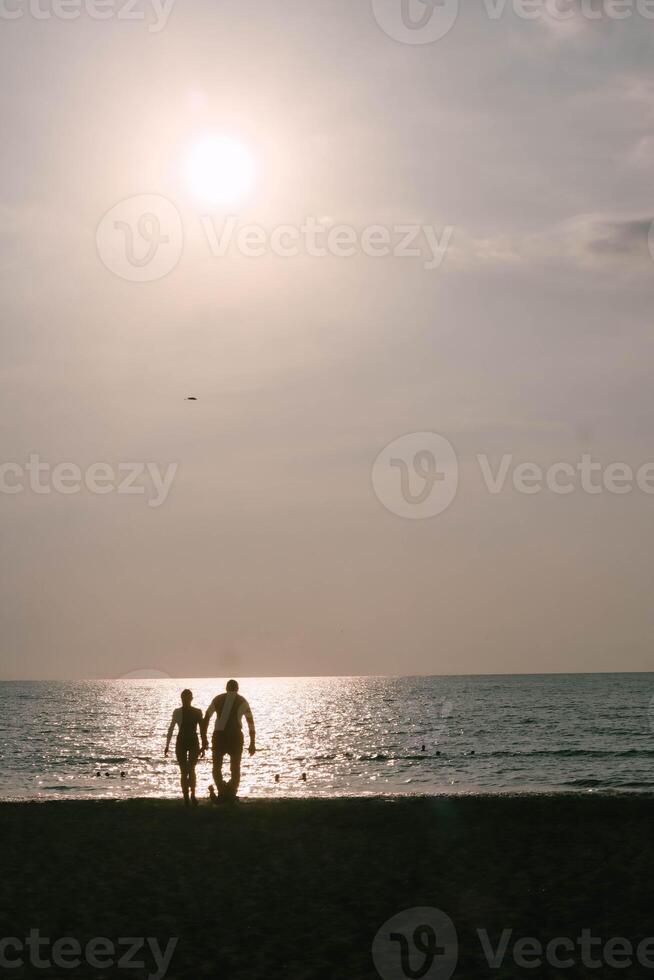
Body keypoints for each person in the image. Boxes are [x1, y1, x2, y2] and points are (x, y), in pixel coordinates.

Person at [203, 680, 255, 803]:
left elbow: (206, 717)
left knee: (216, 768)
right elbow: (250, 722)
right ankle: (230, 792)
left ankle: (223, 791)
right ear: (237, 689)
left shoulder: (218, 699)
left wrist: (204, 738)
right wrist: (252, 742)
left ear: (226, 688)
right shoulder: (242, 701)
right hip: (235, 736)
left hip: (219, 737)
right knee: (235, 768)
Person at [165, 688, 204, 806]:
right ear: (182, 699)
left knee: (190, 770)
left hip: (190, 741)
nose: (186, 700)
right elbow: (171, 728)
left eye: (187, 698)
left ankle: (191, 795)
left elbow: (202, 729)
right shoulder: (178, 712)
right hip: (183, 741)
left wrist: (204, 744)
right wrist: (167, 745)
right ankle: (188, 797)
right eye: (184, 698)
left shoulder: (197, 712)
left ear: (190, 699)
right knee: (186, 771)